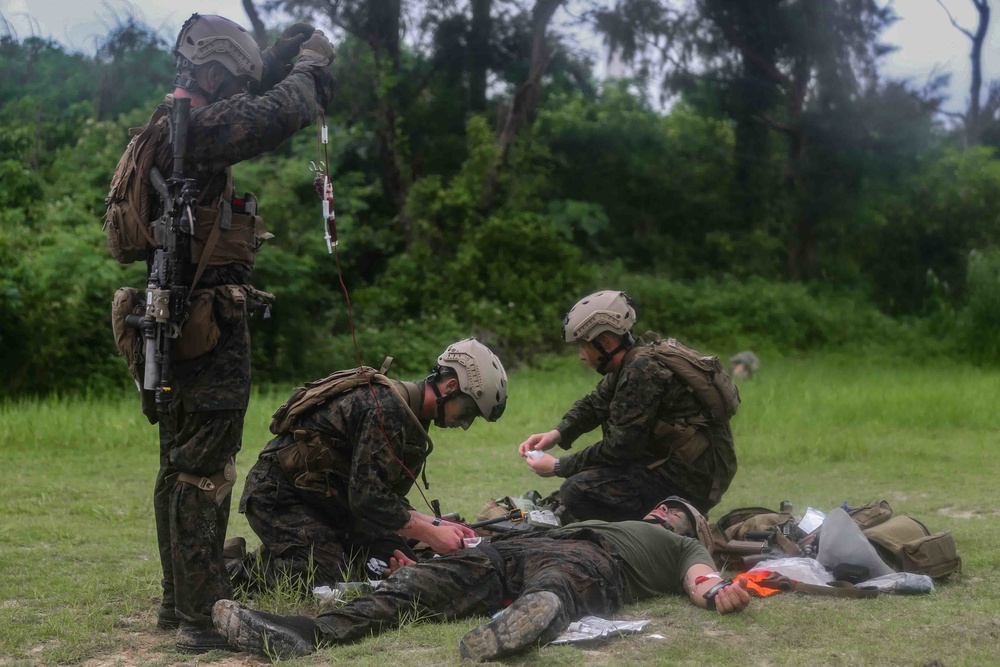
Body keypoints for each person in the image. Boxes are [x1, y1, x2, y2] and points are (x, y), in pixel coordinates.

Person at [108, 14, 337, 653]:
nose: (238, 87)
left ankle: (178, 602)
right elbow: (272, 112)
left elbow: (251, 89)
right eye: (230, 77)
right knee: (204, 473)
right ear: (210, 73)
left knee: (178, 468)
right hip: (204, 327)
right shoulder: (199, 129)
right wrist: (310, 66)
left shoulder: (171, 126)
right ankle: (201, 616)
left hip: (175, 324)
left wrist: (282, 49)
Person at [210, 496, 750, 662]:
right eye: (663, 505)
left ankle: (519, 625)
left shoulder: (684, 546)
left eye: (676, 509)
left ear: (690, 525)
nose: (664, 511)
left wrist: (719, 593)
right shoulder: (604, 516)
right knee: (414, 588)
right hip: (513, 548)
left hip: (593, 560)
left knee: (556, 585)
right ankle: (305, 633)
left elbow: (701, 578)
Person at [234, 338, 508, 591]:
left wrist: (437, 524)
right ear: (450, 388)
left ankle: (294, 548)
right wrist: (432, 534)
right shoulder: (387, 408)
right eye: (468, 411)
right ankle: (235, 571)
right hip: (280, 495)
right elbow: (368, 499)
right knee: (327, 579)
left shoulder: (412, 421)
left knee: (390, 558)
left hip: (326, 501)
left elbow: (382, 496)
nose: (464, 424)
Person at [519, 290, 738, 519]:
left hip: (690, 481)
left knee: (576, 491)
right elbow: (595, 404)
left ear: (604, 341)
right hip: (688, 470)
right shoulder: (634, 361)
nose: (582, 356)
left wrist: (558, 467)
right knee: (587, 481)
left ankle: (650, 532)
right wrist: (556, 434)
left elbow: (619, 448)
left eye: (584, 346)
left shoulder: (642, 371)